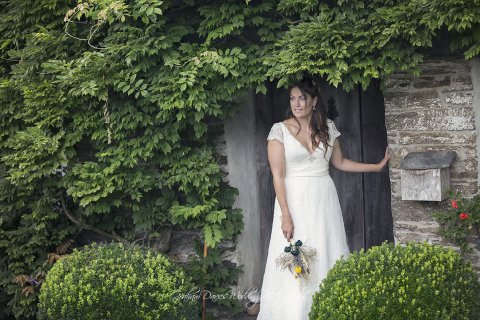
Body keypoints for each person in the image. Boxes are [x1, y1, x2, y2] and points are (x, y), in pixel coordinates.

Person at [257, 77, 390, 320]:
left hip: (323, 200)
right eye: (292, 98)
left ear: (314, 101)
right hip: (294, 201)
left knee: (327, 250)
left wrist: (375, 167)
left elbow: (339, 162)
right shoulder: (279, 130)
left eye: (302, 98)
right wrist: (286, 214)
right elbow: (278, 175)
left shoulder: (327, 127)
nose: (296, 104)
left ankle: (331, 310)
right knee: (296, 254)